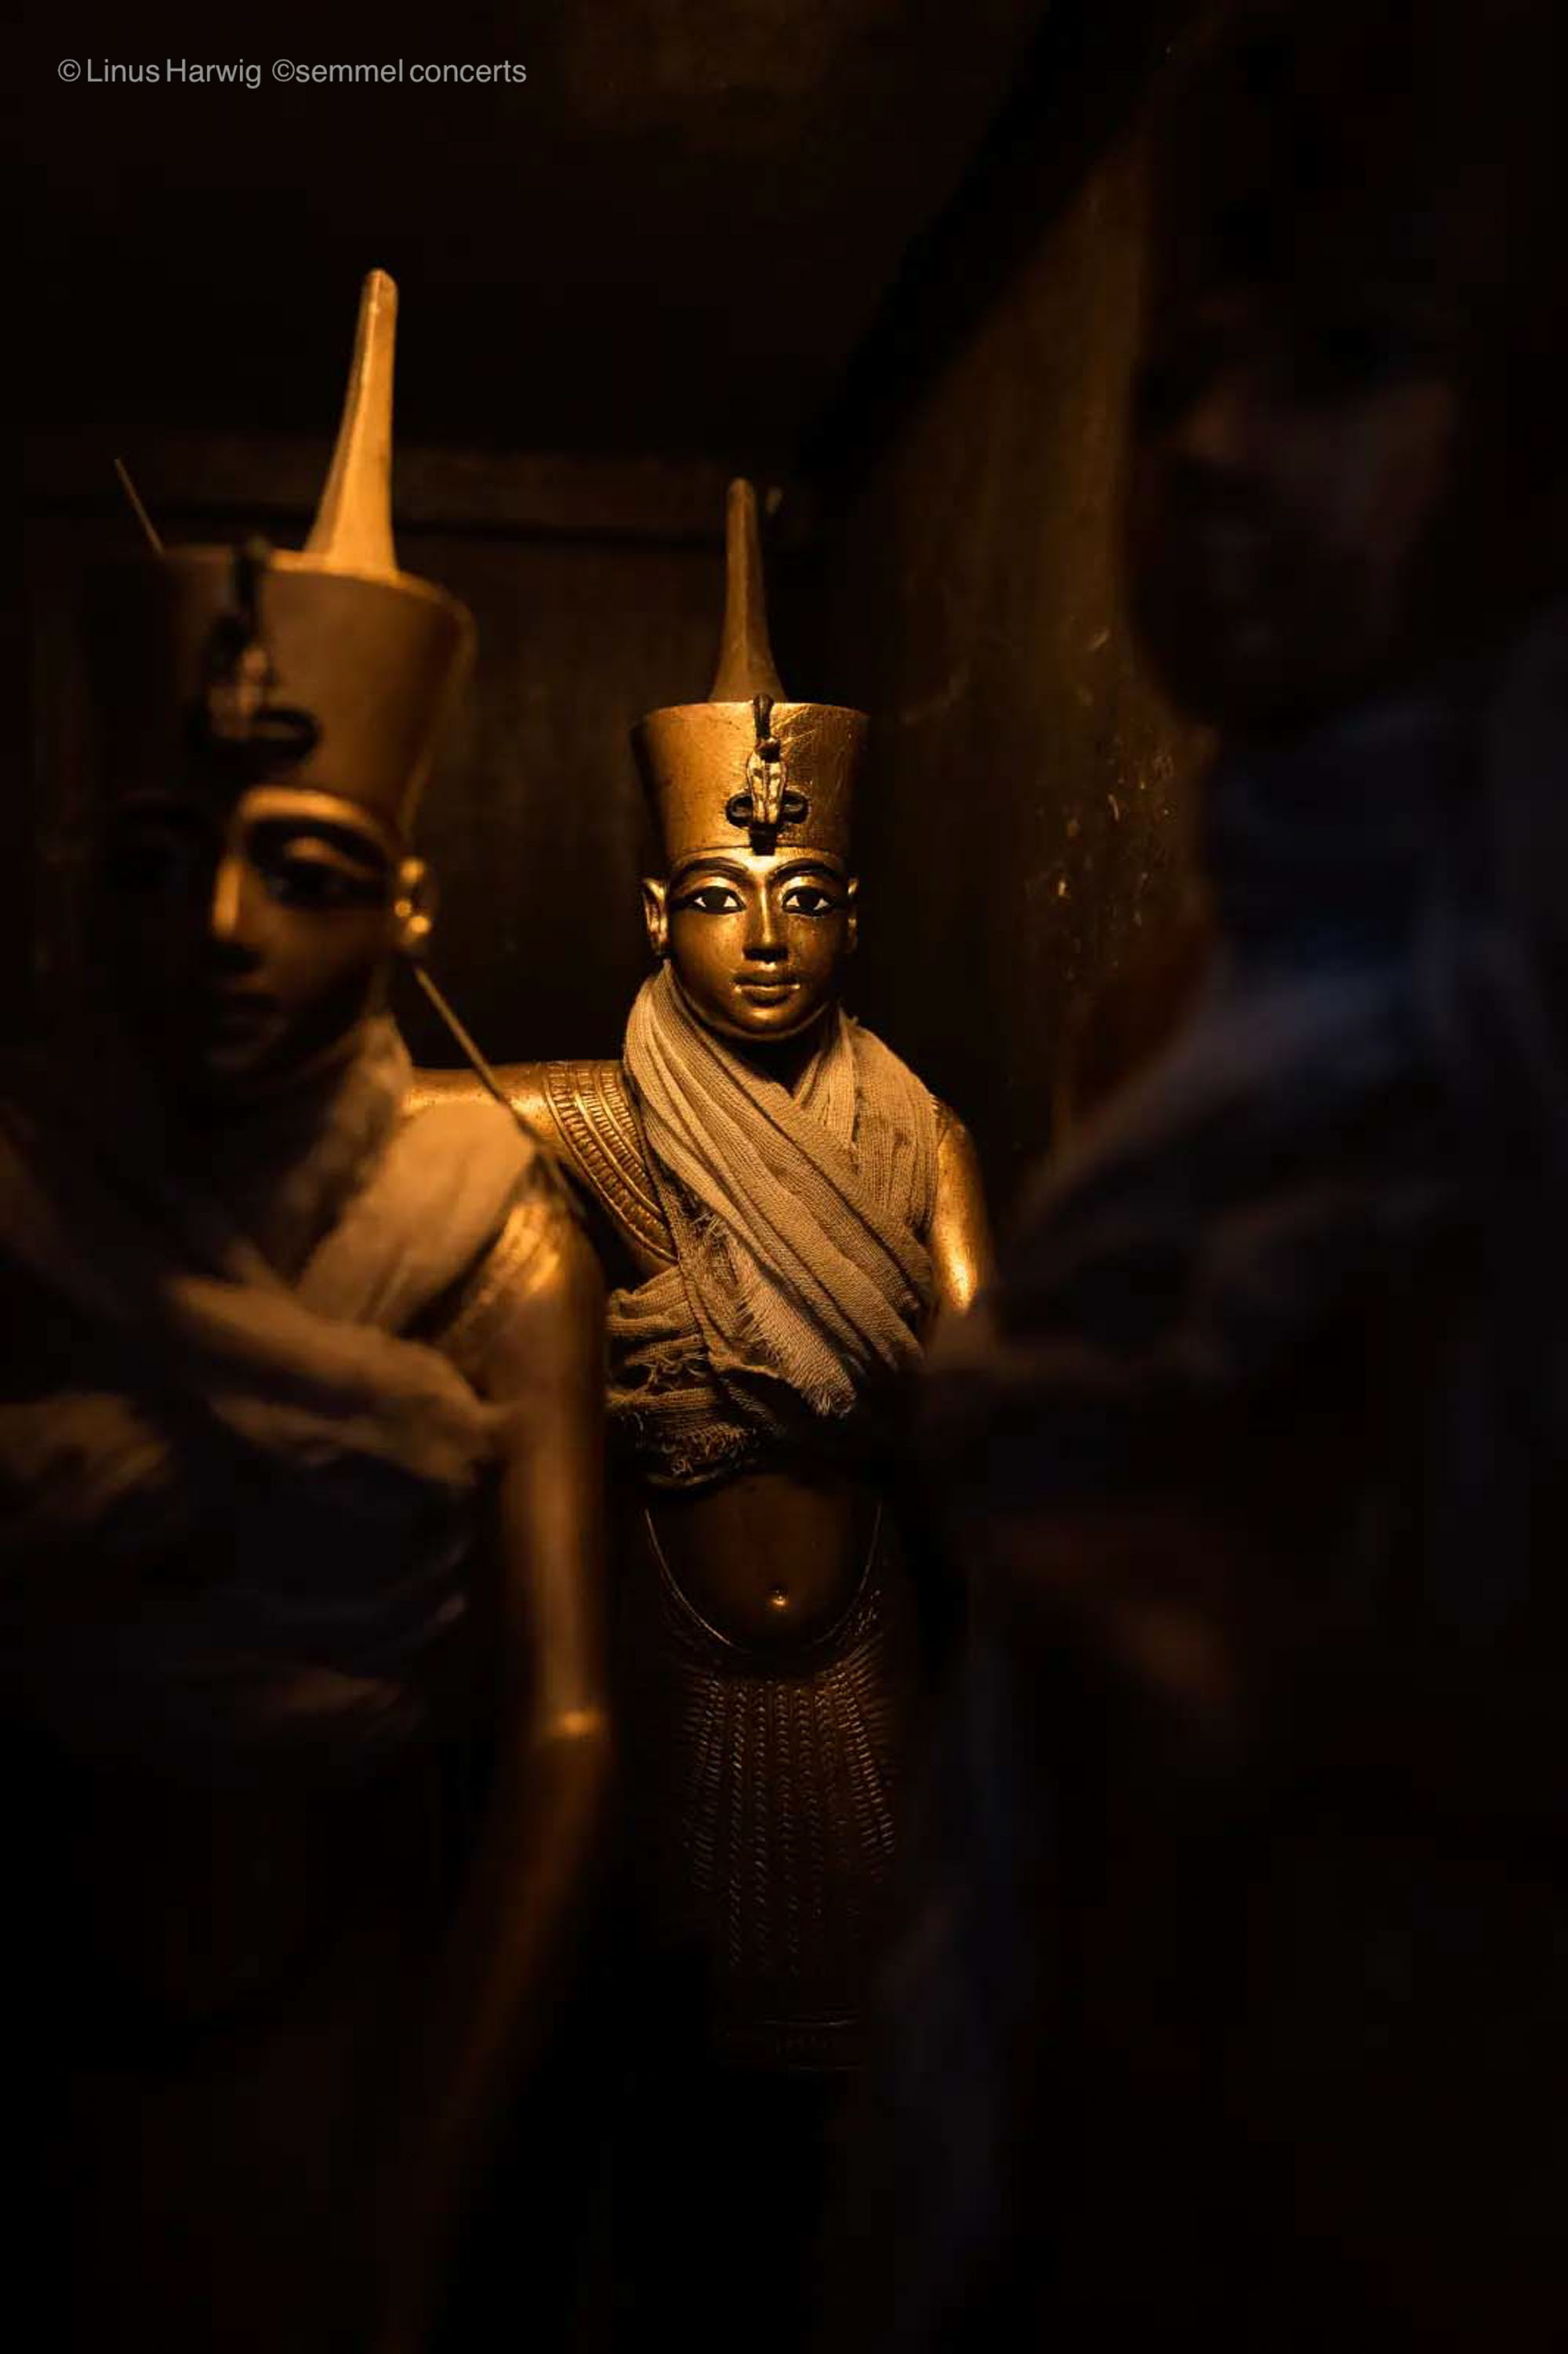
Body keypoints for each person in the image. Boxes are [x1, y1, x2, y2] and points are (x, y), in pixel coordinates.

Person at [829, 5, 1567, 2347]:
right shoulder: (1173, 1015)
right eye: (1170, 385)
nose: (1220, 455)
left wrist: (1325, 1713)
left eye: (1345, 364)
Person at [3, 270, 610, 2353]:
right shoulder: (24, 1205)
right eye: (162, 857)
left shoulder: (497, 1240)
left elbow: (564, 1734)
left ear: (409, 902)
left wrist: (417, 2200)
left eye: (311, 867)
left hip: (352, 2012)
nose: (224, 927)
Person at [413, 478, 992, 2349]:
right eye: (724, 899)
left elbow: (990, 1397)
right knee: (648, 2089)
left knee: (856, 2103)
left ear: (853, 914)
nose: (763, 939)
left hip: (863, 1643)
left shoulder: (914, 1134)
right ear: (658, 908)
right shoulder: (596, 1120)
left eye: (801, 898)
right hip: (661, 1648)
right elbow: (391, 1122)